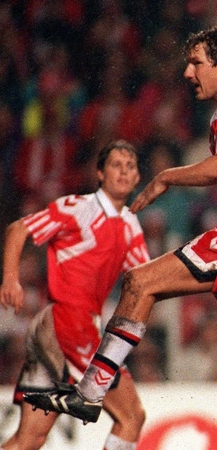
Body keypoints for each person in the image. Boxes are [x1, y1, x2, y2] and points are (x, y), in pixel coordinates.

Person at [25, 26, 217, 450]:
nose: (187, 72)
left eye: (196, 62)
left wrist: (166, 177)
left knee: (140, 282)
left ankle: (90, 393)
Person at [1, 140, 149, 450]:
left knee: (30, 438)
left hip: (52, 328)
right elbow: (18, 229)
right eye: (116, 165)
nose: (123, 172)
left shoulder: (131, 223)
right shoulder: (78, 208)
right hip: (71, 323)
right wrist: (11, 279)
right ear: (99, 173)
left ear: (138, 178)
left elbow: (146, 279)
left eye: (130, 167)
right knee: (131, 417)